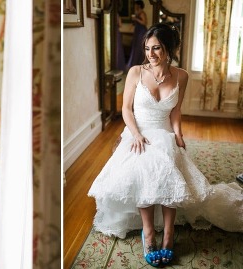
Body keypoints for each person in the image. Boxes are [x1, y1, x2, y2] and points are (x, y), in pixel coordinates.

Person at [88, 23, 243, 267]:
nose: (151, 54)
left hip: (163, 131)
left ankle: (169, 235)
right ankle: (148, 233)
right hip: (137, 131)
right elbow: (126, 109)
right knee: (144, 166)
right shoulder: (136, 73)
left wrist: (179, 134)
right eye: (147, 48)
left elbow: (175, 110)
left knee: (169, 166)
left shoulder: (181, 75)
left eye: (157, 48)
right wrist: (136, 134)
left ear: (169, 49)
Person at [126, 0, 148, 69]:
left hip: (142, 32)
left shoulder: (142, 13)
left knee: (139, 47)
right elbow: (136, 23)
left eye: (135, 5)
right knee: (135, 47)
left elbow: (144, 23)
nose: (134, 6)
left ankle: (141, 63)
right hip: (137, 31)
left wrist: (136, 19)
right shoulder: (137, 13)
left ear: (139, 5)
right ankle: (135, 64)